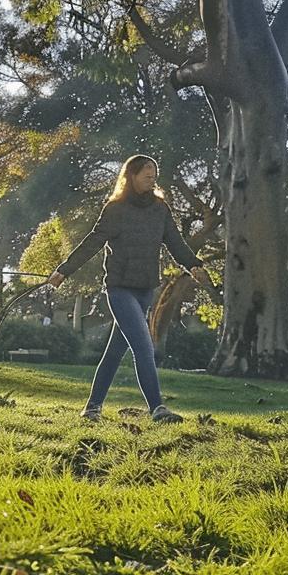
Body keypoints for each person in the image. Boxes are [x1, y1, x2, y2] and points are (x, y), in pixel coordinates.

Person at [47, 155, 212, 423]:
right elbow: (93, 241)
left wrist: (193, 265)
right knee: (144, 346)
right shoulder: (116, 209)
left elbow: (176, 243)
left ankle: (91, 409)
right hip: (119, 289)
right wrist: (64, 270)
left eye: (154, 173)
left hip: (145, 289)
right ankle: (157, 409)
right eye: (147, 173)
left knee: (114, 353)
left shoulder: (160, 209)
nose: (152, 177)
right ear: (131, 176)